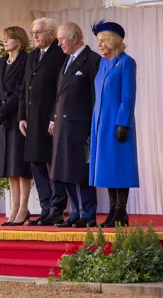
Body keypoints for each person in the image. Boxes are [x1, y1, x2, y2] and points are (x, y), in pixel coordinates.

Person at [49, 23, 102, 228]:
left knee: (81, 171)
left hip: (81, 126)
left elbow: (95, 96)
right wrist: (54, 118)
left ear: (74, 37)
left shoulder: (92, 60)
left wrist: (93, 126)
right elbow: (60, 94)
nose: (59, 42)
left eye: (62, 38)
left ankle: (88, 214)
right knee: (65, 171)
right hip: (63, 126)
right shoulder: (67, 61)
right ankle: (74, 213)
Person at [18, 17, 68, 226]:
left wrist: (54, 117)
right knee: (37, 164)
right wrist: (22, 116)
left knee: (53, 165)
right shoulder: (32, 56)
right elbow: (24, 87)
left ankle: (57, 208)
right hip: (32, 120)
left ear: (51, 33)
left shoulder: (59, 54)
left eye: (38, 32)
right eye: (33, 32)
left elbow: (61, 90)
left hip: (49, 120)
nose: (35, 36)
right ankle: (46, 207)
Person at [89, 20, 139, 228]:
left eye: (103, 41)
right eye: (98, 41)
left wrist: (122, 123)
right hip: (101, 121)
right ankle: (112, 211)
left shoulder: (127, 62)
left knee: (120, 166)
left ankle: (121, 211)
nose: (100, 45)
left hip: (117, 121)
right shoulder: (103, 64)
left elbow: (128, 96)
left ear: (113, 40)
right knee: (107, 168)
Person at [0, 26, 34, 226]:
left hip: (18, 117)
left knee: (20, 166)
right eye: (4, 38)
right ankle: (14, 208)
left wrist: (4, 111)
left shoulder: (26, 60)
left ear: (20, 40)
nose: (5, 41)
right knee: (9, 167)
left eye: (9, 38)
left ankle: (23, 208)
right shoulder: (2, 62)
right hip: (4, 120)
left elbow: (21, 91)